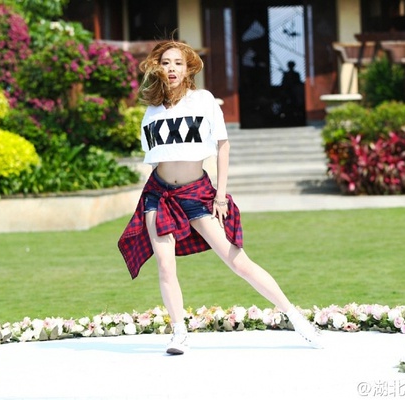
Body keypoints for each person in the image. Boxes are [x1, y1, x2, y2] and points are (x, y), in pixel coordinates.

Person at [118, 40, 323, 355]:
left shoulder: (203, 100)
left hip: (196, 193)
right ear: (158, 68)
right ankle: (179, 333)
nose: (171, 68)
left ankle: (296, 318)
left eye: (178, 63)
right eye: (166, 63)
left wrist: (221, 195)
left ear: (188, 69)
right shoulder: (152, 110)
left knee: (237, 261)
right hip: (158, 195)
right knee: (165, 266)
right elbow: (157, 156)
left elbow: (222, 145)